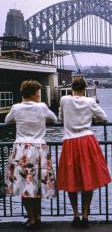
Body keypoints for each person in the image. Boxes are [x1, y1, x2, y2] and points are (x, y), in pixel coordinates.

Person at [57, 77, 111, 228]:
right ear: (85, 89)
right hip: (87, 140)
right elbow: (104, 118)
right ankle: (86, 214)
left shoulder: (64, 100)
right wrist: (92, 119)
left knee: (71, 179)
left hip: (69, 142)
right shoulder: (90, 101)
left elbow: (60, 118)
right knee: (89, 178)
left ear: (72, 88)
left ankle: (75, 215)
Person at [4, 80, 57, 228]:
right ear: (34, 94)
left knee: (24, 185)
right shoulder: (42, 107)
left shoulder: (16, 107)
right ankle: (38, 217)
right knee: (37, 183)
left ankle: (31, 218)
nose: (39, 96)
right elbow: (54, 118)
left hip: (21, 149)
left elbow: (8, 120)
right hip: (39, 149)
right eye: (38, 93)